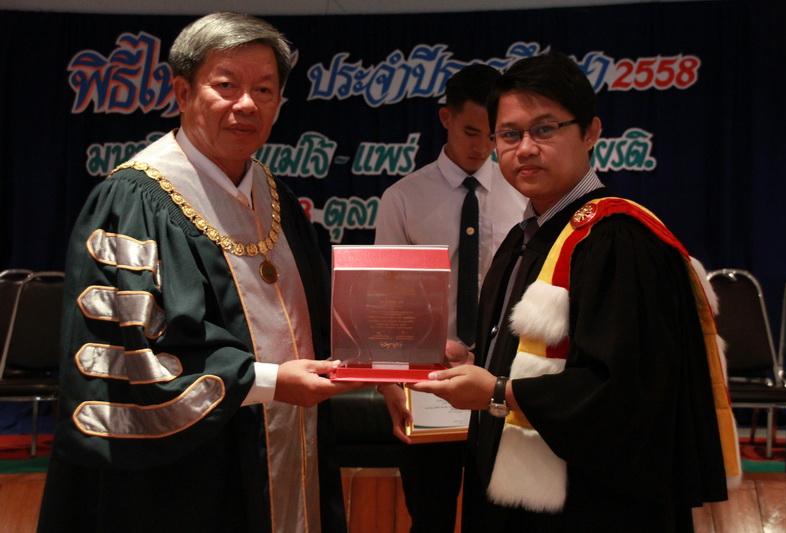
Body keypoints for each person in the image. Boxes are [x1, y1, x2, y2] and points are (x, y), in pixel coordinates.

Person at [38, 12, 358, 533]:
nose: (247, 104)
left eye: (264, 89)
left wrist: (394, 350)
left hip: (289, 441)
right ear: (183, 92)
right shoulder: (134, 201)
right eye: (226, 86)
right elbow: (131, 353)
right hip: (189, 472)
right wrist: (271, 382)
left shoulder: (274, 196)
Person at [412, 52, 740, 532]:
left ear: (590, 133)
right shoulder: (525, 236)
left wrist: (498, 391)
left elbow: (628, 393)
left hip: (594, 509)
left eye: (544, 129)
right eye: (509, 135)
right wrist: (477, 363)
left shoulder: (617, 239)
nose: (525, 148)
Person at [374, 64, 526, 533]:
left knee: (499, 518)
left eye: (494, 135)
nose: (481, 147)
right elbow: (385, 301)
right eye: (470, 132)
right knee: (430, 515)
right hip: (428, 380)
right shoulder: (403, 198)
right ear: (446, 118)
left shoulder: (523, 195)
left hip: (500, 381)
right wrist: (387, 383)